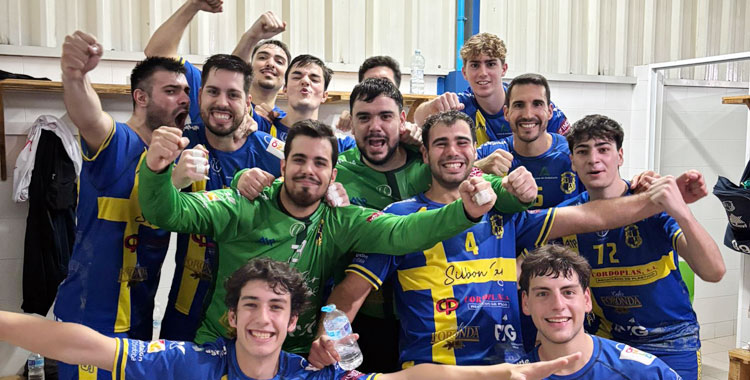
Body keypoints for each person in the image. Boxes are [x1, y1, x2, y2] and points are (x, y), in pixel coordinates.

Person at [307, 110, 709, 369]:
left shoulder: (505, 215)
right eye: (441, 143)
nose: (453, 151)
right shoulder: (401, 218)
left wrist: (660, 201)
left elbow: (589, 215)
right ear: (425, 156)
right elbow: (348, 294)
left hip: (514, 369)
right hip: (438, 373)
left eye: (462, 142)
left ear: (473, 151)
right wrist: (331, 339)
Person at [138, 119, 520, 356]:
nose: (309, 170)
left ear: (333, 174)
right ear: (283, 164)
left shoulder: (339, 220)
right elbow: (166, 212)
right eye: (300, 160)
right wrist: (156, 168)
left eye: (320, 162)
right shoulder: (244, 204)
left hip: (297, 357)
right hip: (224, 348)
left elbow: (403, 232)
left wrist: (466, 212)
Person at [0, 258, 583, 380]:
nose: (263, 318)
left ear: (292, 321)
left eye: (276, 307)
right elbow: (85, 344)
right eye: (251, 305)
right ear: (231, 317)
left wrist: (508, 376)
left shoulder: (314, 376)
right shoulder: (189, 362)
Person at [54, 30, 190, 380]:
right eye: (172, 91)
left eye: (187, 91)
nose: (184, 99)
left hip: (140, 323)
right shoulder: (118, 142)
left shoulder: (176, 160)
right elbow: (89, 117)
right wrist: (75, 76)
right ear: (141, 97)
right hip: (91, 320)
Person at [556, 114, 726, 379]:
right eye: (583, 151)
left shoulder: (651, 204)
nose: (593, 159)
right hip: (607, 341)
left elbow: (714, 271)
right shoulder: (566, 217)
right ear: (572, 161)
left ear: (620, 156)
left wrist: (681, 211)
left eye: (603, 149)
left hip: (670, 340)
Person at [519, 244, 682, 379]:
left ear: (587, 299)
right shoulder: (517, 375)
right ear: (526, 303)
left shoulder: (641, 371)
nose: (558, 305)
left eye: (568, 292)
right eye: (542, 293)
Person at [144, 0, 289, 126]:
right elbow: (157, 53)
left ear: (286, 82)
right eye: (263, 57)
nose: (270, 63)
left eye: (279, 61)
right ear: (249, 67)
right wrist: (192, 5)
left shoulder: (283, 122)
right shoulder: (208, 88)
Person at [413, 32, 569, 145]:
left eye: (491, 64)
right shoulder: (460, 105)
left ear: (504, 69)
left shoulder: (530, 103)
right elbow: (418, 119)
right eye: (475, 65)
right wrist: (433, 106)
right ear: (464, 73)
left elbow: (572, 143)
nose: (483, 73)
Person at [475, 74, 582, 209]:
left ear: (549, 112)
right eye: (519, 105)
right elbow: (448, 181)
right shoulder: (489, 153)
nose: (528, 115)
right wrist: (479, 167)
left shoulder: (574, 153)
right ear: (506, 113)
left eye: (537, 104)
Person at [254, 54, 357, 152]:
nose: (305, 81)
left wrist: (359, 120)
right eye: (297, 77)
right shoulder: (262, 127)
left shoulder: (342, 144)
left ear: (324, 95)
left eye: (314, 79)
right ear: (285, 90)